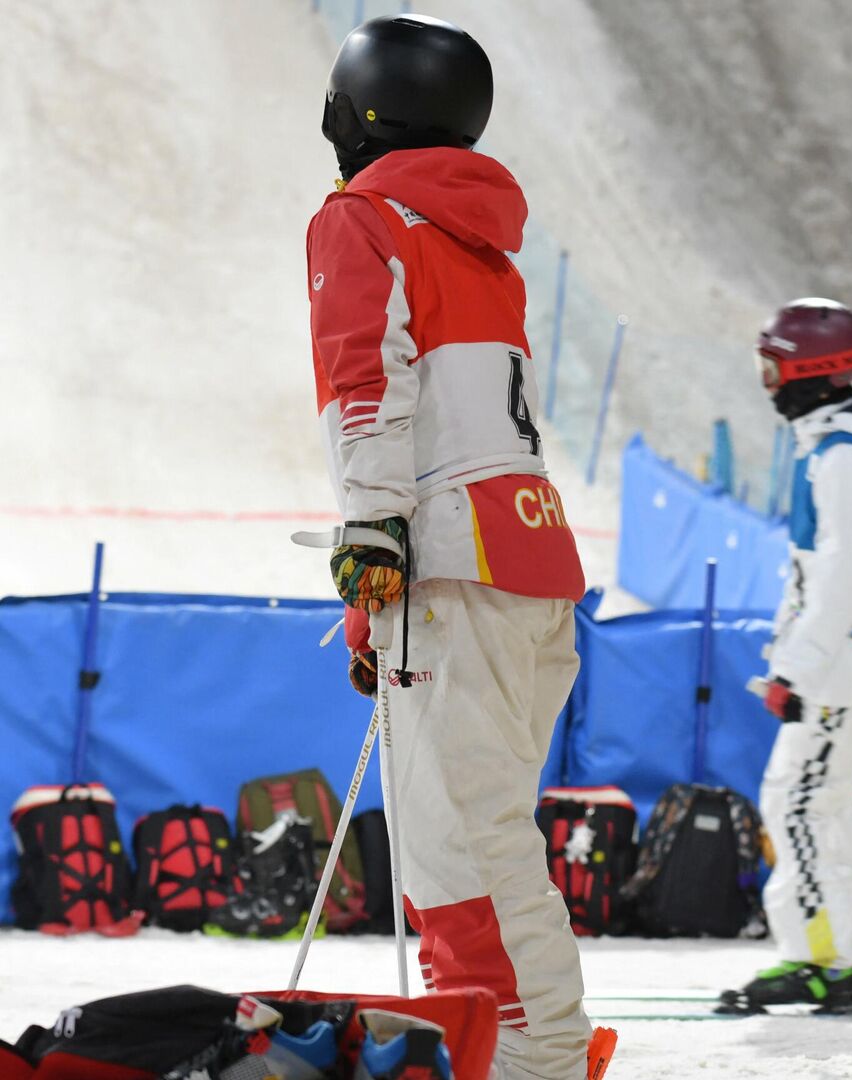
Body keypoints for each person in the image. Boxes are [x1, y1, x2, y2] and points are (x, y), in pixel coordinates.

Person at [307, 15, 594, 1077]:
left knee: (464, 847)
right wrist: (375, 592)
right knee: (478, 833)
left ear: (369, 112)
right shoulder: (479, 238)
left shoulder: (363, 218)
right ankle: (503, 1039)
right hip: (522, 561)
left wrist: (373, 534)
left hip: (452, 564)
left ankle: (531, 1054)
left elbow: (367, 385)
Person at [724, 299, 852, 1012]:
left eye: (775, 366)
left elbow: (843, 571)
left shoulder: (843, 459)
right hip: (841, 660)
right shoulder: (832, 448)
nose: (767, 381)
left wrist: (795, 668)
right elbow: (816, 572)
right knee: (824, 806)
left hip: (840, 666)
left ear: (813, 371)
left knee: (795, 805)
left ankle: (818, 954)